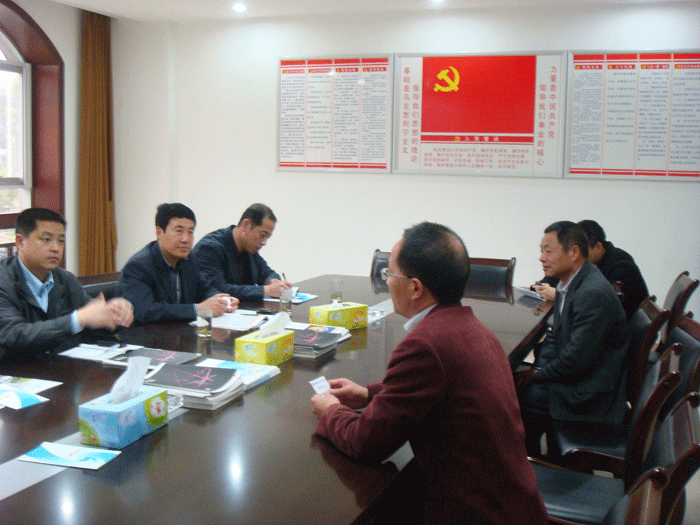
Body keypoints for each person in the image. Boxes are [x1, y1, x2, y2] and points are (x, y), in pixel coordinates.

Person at [310, 222, 547, 525]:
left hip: (477, 514)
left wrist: (330, 410)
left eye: (389, 274)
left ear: (415, 288)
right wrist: (369, 394)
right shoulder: (473, 328)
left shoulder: (425, 345)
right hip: (515, 504)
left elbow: (366, 442)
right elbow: (440, 389)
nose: (386, 282)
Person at [518, 221, 630, 455]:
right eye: (541, 250)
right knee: (518, 384)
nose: (541, 257)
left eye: (548, 251)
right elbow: (554, 336)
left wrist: (537, 375)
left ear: (574, 252)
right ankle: (529, 457)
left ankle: (529, 464)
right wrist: (538, 369)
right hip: (578, 377)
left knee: (516, 398)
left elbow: (574, 360)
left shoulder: (592, 293)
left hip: (588, 395)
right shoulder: (569, 283)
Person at [0, 208, 133, 363]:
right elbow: (14, 335)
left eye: (61, 241)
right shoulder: (4, 281)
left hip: (59, 369)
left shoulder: (65, 280)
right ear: (20, 242)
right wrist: (76, 320)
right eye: (46, 239)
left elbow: (93, 320)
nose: (56, 248)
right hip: (15, 371)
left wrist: (116, 313)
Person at [120, 203, 238, 325]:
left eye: (190, 232)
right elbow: (147, 311)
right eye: (179, 231)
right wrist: (197, 309)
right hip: (149, 334)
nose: (185, 239)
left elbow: (204, 289)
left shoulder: (189, 258)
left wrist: (221, 299)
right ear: (159, 232)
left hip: (181, 331)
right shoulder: (138, 266)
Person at [533, 220, 649, 319]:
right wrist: (540, 287)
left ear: (598, 246)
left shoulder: (622, 267)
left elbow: (601, 308)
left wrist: (559, 296)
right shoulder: (581, 263)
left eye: (583, 249)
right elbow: (549, 281)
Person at [192, 203, 291, 301]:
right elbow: (218, 290)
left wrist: (272, 281)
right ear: (246, 225)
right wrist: (265, 290)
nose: (264, 242)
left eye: (267, 237)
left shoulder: (248, 248)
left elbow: (267, 272)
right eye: (262, 235)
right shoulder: (209, 248)